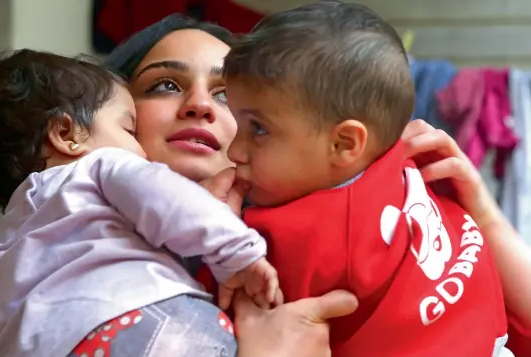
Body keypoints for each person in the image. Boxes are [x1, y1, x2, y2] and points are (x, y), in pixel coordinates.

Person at [0, 13, 527, 357]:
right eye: (162, 86)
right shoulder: (40, 281)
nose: (200, 107)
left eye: (231, 98)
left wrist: (485, 217)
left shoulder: (353, 221)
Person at [221, 1, 518, 356]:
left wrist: (214, 223)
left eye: (258, 129)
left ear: (345, 143)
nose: (235, 151)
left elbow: (237, 297)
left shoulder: (304, 239)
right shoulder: (410, 157)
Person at [0, 48, 287, 357]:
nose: (140, 152)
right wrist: (236, 250)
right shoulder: (100, 166)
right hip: (141, 324)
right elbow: (164, 196)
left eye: (225, 94)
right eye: (130, 129)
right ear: (67, 135)